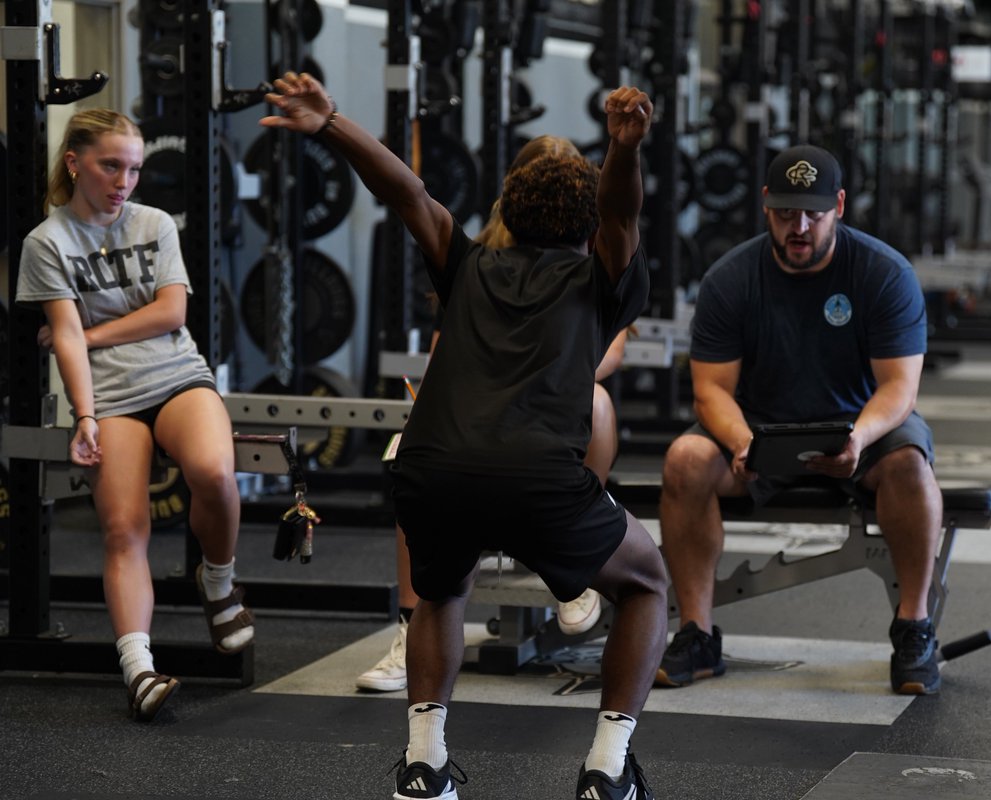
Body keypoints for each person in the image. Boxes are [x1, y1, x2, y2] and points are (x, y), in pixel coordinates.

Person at [263, 73, 666, 800]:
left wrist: (331, 125)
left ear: (506, 204)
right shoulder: (600, 275)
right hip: (539, 479)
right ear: (587, 222)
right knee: (646, 584)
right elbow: (623, 213)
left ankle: (425, 764)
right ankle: (607, 769)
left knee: (441, 592)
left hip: (431, 472)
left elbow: (406, 192)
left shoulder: (467, 260)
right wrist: (624, 149)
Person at [655, 144, 944, 696]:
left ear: (838, 205)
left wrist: (858, 438)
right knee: (685, 460)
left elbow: (899, 388)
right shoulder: (730, 279)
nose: (800, 226)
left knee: (910, 465)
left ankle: (914, 626)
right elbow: (711, 390)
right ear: (765, 205)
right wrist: (743, 444)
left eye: (813, 212)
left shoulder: (883, 273)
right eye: (786, 212)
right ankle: (698, 632)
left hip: (862, 424)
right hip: (760, 428)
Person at [354, 136, 628, 694]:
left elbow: (607, 348)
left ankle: (573, 569)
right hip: (482, 426)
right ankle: (411, 627)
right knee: (419, 447)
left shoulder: (593, 262)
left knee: (596, 404)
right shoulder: (478, 254)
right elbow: (447, 345)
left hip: (551, 416)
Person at [16, 109, 255, 721]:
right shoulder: (47, 243)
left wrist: (92, 336)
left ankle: (219, 583)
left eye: (135, 169)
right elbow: (63, 334)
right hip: (112, 397)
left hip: (177, 375)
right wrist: (85, 416)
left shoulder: (153, 223)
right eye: (111, 166)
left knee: (214, 473)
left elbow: (171, 313)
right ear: (75, 163)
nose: (125, 181)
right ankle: (138, 670)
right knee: (124, 528)